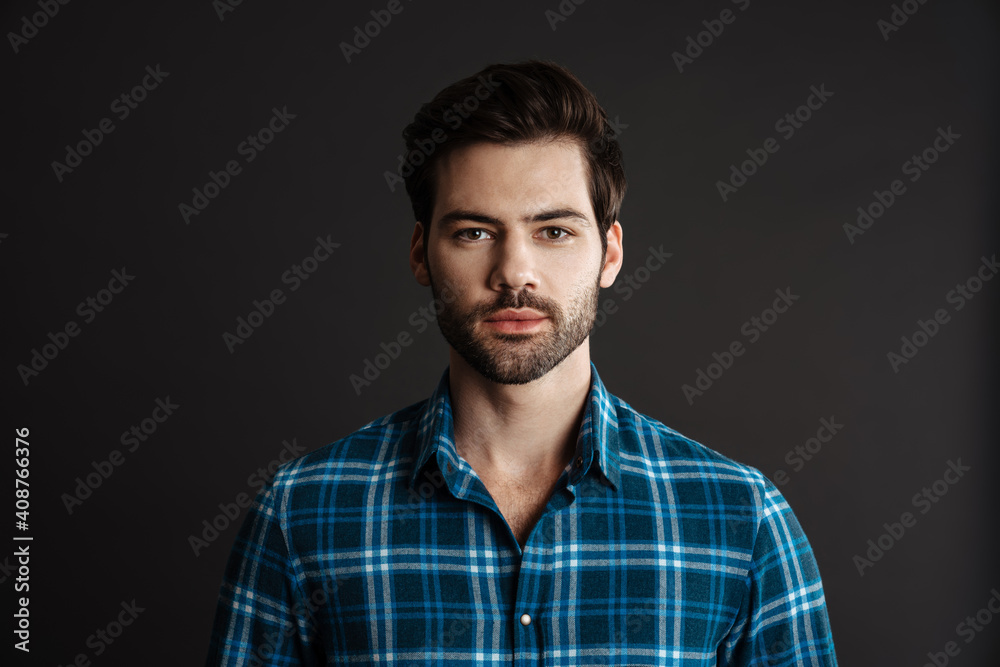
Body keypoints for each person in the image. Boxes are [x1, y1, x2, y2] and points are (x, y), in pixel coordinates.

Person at [205, 60, 838, 666]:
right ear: (422, 253)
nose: (514, 274)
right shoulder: (303, 514)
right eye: (474, 232)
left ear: (610, 253)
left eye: (554, 231)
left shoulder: (740, 521)